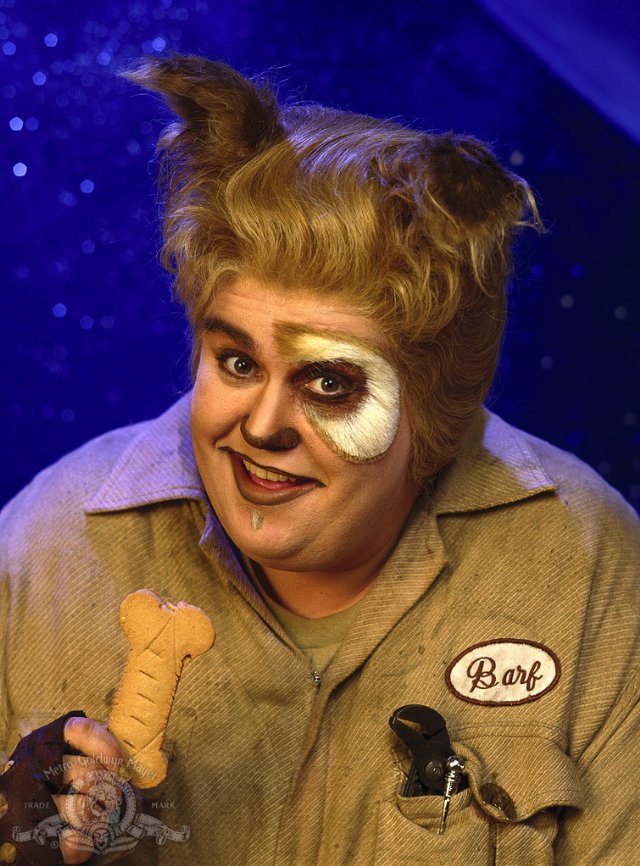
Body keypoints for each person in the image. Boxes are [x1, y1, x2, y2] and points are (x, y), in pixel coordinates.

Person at [0, 53, 638, 866]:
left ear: (433, 408)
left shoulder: (587, 568)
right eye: (237, 362)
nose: (263, 425)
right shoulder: (47, 546)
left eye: (330, 383)